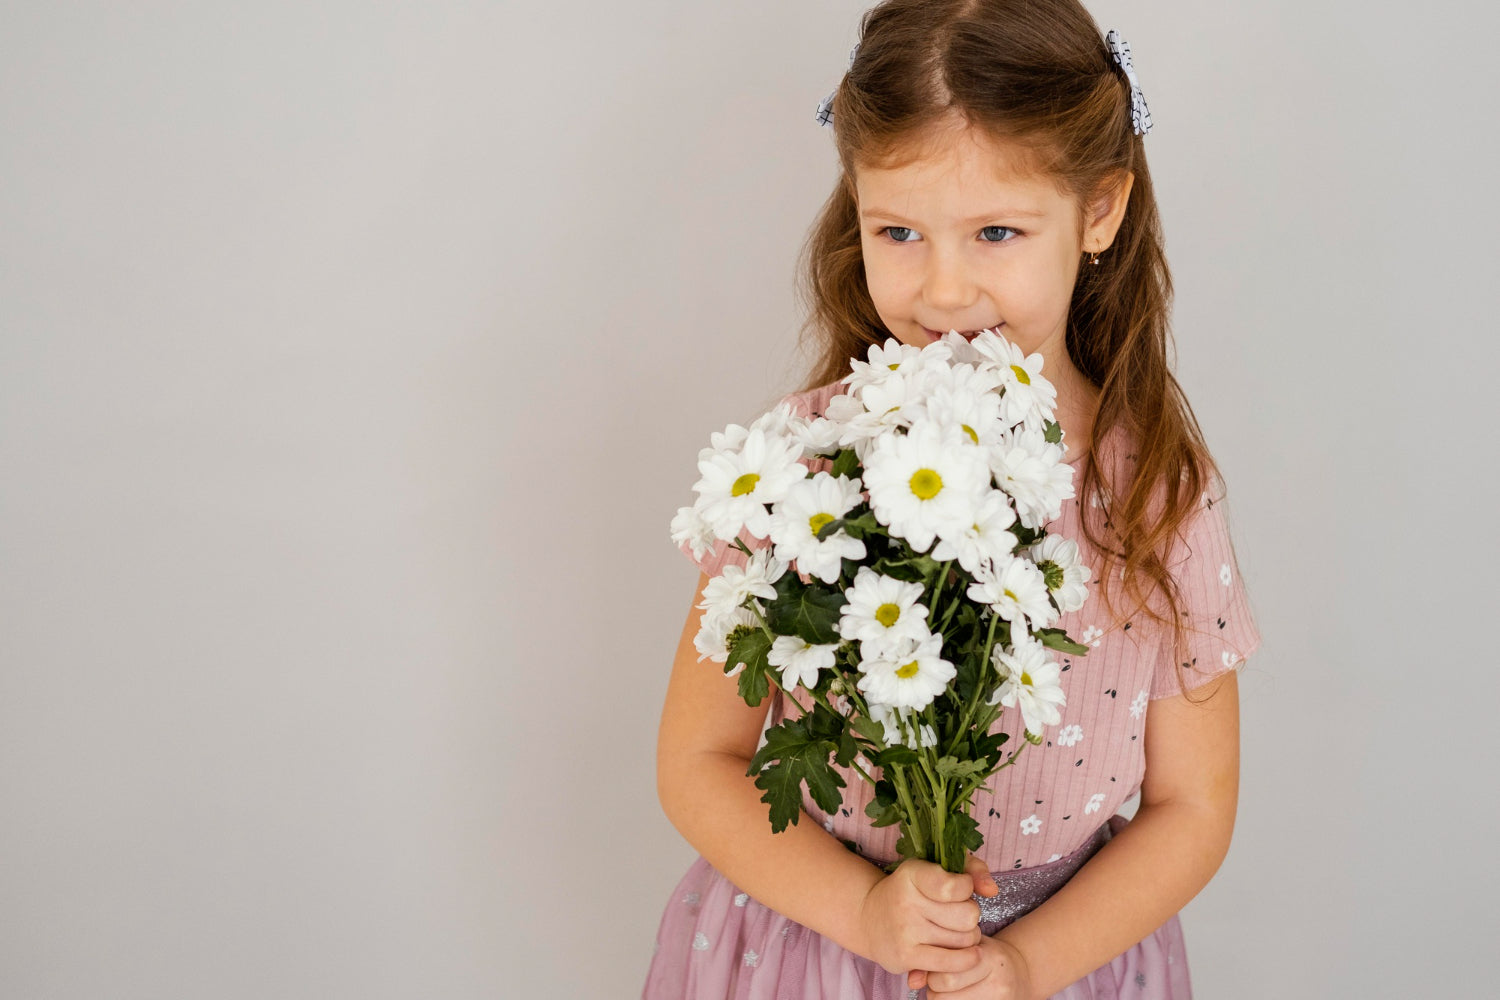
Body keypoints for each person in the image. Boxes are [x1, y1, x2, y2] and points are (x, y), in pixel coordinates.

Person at [643, 2, 1262, 997]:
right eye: (898, 230)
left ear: (1099, 210)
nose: (942, 290)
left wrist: (1023, 962)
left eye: (997, 232)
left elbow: (1193, 807)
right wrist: (862, 910)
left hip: (1055, 964)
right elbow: (698, 759)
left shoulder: (1156, 494)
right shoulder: (800, 469)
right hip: (816, 949)